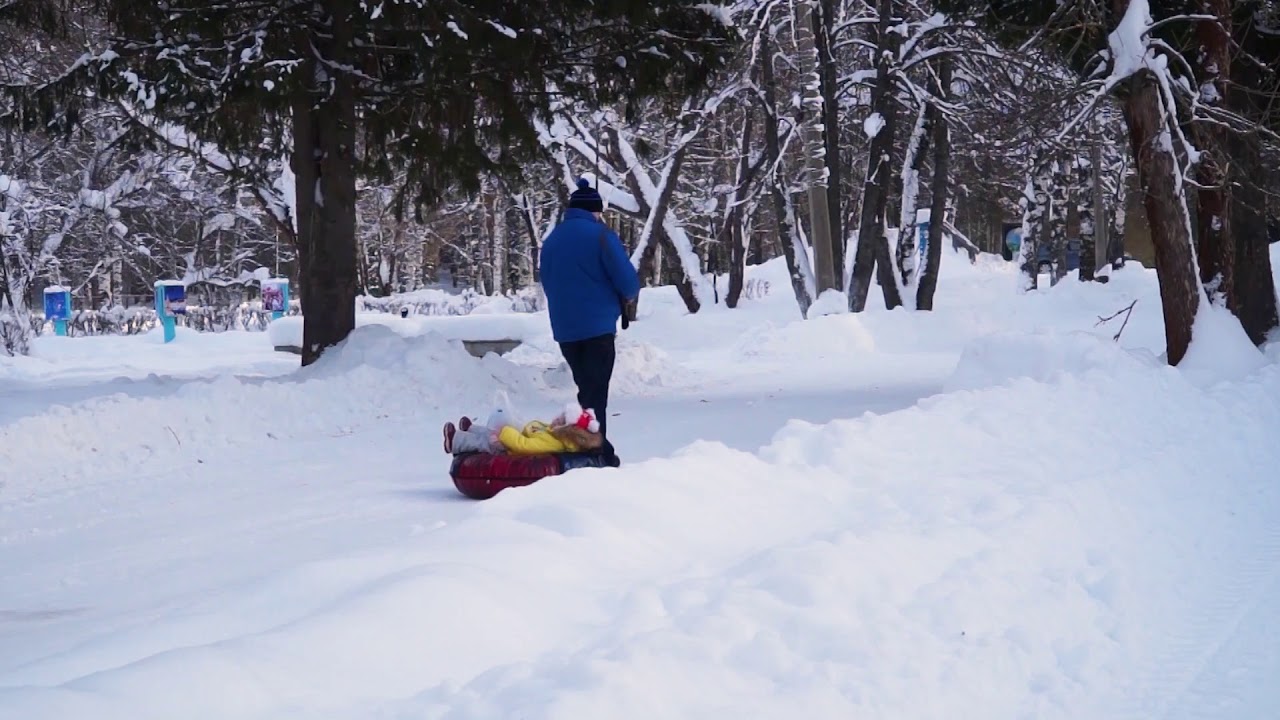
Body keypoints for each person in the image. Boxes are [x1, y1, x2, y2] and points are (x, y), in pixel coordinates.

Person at [539, 178, 641, 466]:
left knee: (587, 390)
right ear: (594, 211)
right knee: (596, 395)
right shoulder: (600, 236)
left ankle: (589, 447)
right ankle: (597, 454)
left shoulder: (552, 240)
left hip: (565, 330)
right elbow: (628, 282)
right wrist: (626, 297)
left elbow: (546, 281)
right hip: (597, 328)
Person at [442, 404, 603, 455]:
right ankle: (471, 429)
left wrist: (506, 432)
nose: (555, 420)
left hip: (510, 450)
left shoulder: (553, 443)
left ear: (566, 432)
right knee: (489, 432)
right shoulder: (553, 433)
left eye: (560, 421)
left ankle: (455, 441)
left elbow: (524, 445)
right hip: (510, 440)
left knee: (485, 442)